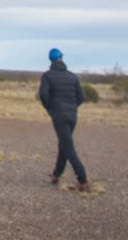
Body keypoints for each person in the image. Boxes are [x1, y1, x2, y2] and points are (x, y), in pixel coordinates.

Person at [38, 47, 90, 192]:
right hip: (72, 115)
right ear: (62, 58)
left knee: (67, 146)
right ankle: (56, 174)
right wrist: (72, 107)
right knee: (64, 143)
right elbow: (81, 97)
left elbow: (43, 95)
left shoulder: (48, 76)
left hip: (59, 115)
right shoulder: (73, 76)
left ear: (51, 60)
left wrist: (50, 108)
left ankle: (83, 179)